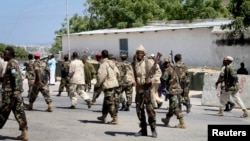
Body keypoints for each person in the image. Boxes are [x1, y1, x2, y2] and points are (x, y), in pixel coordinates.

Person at [0, 46, 28, 141]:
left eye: (5, 53)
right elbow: (9, 78)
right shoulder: (12, 63)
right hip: (14, 93)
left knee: (3, 112)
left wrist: (16, 91)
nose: (3, 55)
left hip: (10, 94)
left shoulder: (12, 63)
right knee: (19, 112)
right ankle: (24, 133)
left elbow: (16, 78)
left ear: (10, 54)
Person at [132, 45, 157, 138]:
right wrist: (132, 81)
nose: (139, 54)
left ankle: (153, 129)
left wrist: (151, 79)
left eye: (141, 52)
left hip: (148, 90)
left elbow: (157, 73)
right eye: (138, 52)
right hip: (139, 90)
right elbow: (131, 74)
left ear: (144, 54)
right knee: (139, 111)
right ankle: (143, 130)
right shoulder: (133, 63)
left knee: (150, 110)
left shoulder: (149, 62)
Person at [96, 50, 120, 124]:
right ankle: (103, 116)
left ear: (102, 56)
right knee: (106, 101)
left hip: (108, 84)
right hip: (114, 84)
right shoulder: (112, 63)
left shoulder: (103, 64)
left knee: (109, 102)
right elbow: (118, 73)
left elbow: (101, 76)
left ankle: (115, 118)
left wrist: (98, 84)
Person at [161, 57, 186, 129]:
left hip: (172, 91)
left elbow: (164, 79)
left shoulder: (167, 70)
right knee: (171, 107)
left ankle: (182, 123)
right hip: (178, 90)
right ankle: (167, 119)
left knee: (175, 107)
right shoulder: (175, 69)